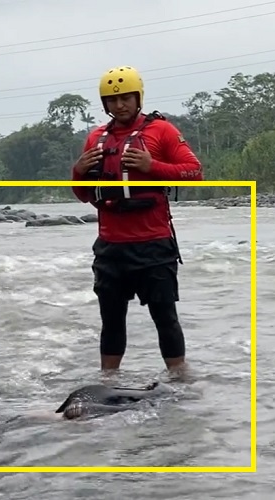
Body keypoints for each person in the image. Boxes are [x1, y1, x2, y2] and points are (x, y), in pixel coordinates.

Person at [71, 65, 204, 372]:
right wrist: (78, 170)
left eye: (126, 98)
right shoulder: (95, 138)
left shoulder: (162, 131)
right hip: (110, 248)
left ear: (138, 98)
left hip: (154, 246)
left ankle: (179, 382)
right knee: (112, 322)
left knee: (165, 317)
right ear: (105, 104)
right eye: (113, 100)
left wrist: (151, 165)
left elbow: (194, 173)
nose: (120, 105)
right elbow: (83, 194)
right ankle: (108, 382)